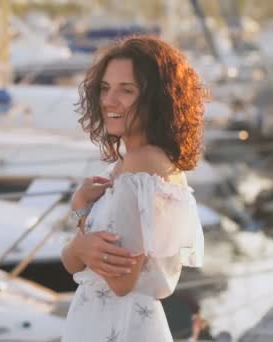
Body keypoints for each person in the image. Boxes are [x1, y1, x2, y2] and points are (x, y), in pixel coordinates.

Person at [60, 35, 207, 341]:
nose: (109, 101)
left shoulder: (144, 167)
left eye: (126, 91)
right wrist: (81, 223)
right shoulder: (128, 164)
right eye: (105, 88)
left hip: (119, 326)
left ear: (156, 99)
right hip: (104, 322)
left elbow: (121, 281)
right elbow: (73, 260)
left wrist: (80, 232)